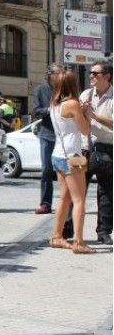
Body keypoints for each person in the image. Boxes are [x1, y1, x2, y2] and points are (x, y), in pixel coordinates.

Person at [47, 69, 95, 254]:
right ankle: (79, 241)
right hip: (73, 156)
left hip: (58, 154)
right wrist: (87, 114)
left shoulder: (54, 105)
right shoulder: (73, 103)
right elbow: (84, 130)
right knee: (79, 199)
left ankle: (56, 235)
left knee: (64, 198)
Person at [80, 60, 113, 245]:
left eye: (95, 73)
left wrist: (93, 116)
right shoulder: (86, 94)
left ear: (107, 76)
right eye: (91, 72)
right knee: (77, 190)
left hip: (107, 147)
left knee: (106, 191)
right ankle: (69, 228)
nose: (91, 76)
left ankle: (104, 231)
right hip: (85, 147)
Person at [32, 64, 63, 215]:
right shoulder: (40, 90)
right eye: (59, 73)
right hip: (47, 135)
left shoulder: (66, 90)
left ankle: (66, 203)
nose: (61, 76)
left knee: (64, 171)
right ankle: (45, 203)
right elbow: (35, 111)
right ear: (50, 75)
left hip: (63, 136)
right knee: (46, 171)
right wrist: (48, 110)